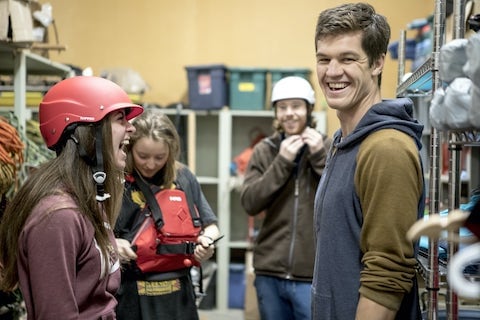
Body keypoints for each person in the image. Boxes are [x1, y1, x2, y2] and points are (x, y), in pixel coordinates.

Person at [312, 3, 425, 320]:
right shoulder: (343, 143)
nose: (332, 72)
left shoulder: (385, 148)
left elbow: (386, 276)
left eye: (348, 59)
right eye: (324, 59)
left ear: (377, 63)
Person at [0, 76, 144, 319]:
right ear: (87, 132)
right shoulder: (58, 216)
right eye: (120, 119)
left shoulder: (88, 201)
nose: (131, 127)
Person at [114, 109, 220, 320]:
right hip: (130, 291)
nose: (151, 164)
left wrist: (207, 242)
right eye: (142, 156)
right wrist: (112, 243)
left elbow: (211, 225)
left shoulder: (183, 177)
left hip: (178, 290)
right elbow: (91, 232)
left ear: (170, 152)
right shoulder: (117, 179)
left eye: (159, 157)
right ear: (129, 147)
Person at [240, 76, 331, 320]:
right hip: (269, 273)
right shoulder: (265, 150)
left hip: (312, 274)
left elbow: (341, 201)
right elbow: (249, 202)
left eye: (296, 106)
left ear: (309, 109)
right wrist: (281, 162)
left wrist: (320, 159)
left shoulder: (329, 147)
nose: (289, 113)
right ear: (275, 112)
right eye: (282, 107)